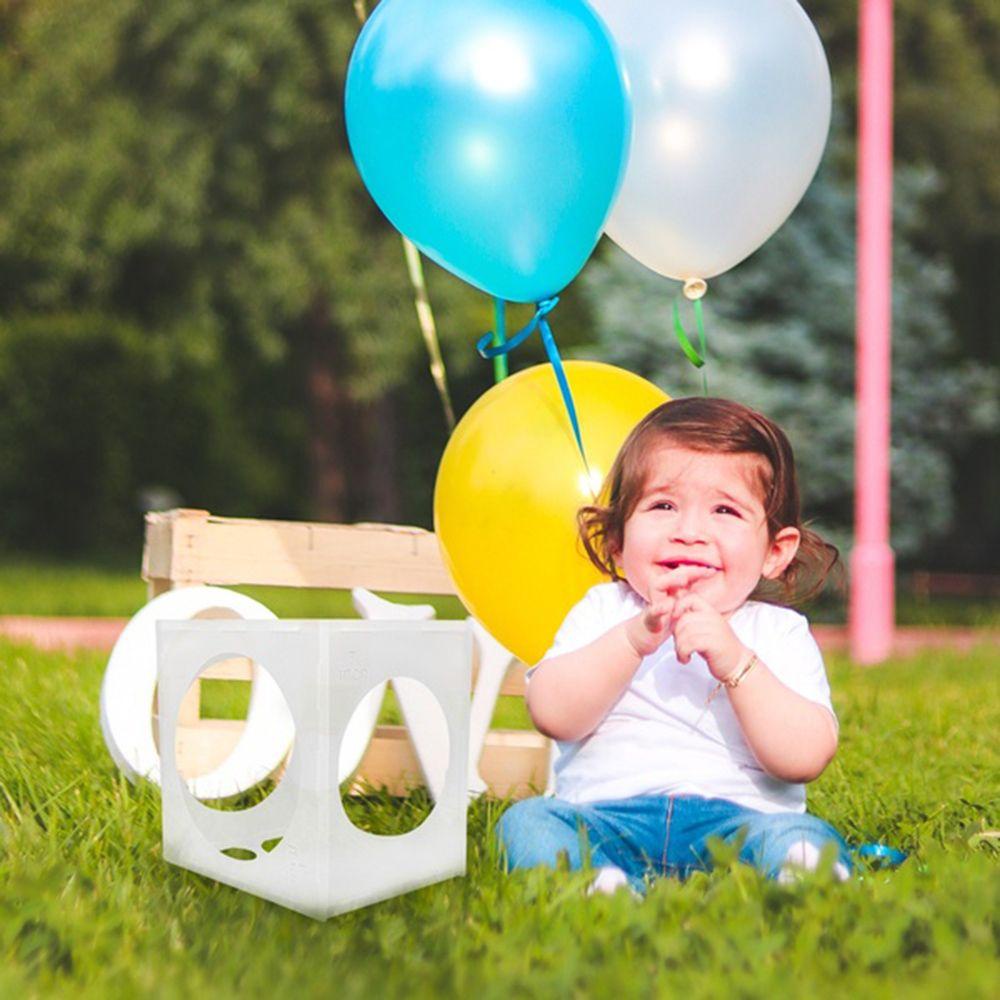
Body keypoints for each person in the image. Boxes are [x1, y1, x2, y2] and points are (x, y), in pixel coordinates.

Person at [497, 397, 853, 896]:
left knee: (794, 835)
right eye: (663, 506)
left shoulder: (777, 631)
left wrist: (734, 661)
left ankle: (802, 873)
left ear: (775, 551)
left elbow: (804, 756)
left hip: (741, 825)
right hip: (607, 819)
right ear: (618, 541)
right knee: (528, 821)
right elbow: (553, 714)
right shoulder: (606, 611)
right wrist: (631, 640)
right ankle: (598, 884)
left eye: (725, 510)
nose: (689, 533)